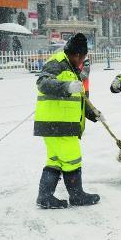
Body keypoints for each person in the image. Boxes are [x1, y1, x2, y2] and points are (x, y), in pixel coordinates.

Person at [34, 33, 102, 209]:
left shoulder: (72, 68)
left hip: (54, 123)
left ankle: (45, 197)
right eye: (82, 57)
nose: (82, 61)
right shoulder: (57, 62)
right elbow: (42, 83)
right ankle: (77, 195)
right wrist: (66, 86)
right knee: (72, 159)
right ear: (77, 54)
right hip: (58, 124)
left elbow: (77, 99)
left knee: (55, 161)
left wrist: (93, 113)